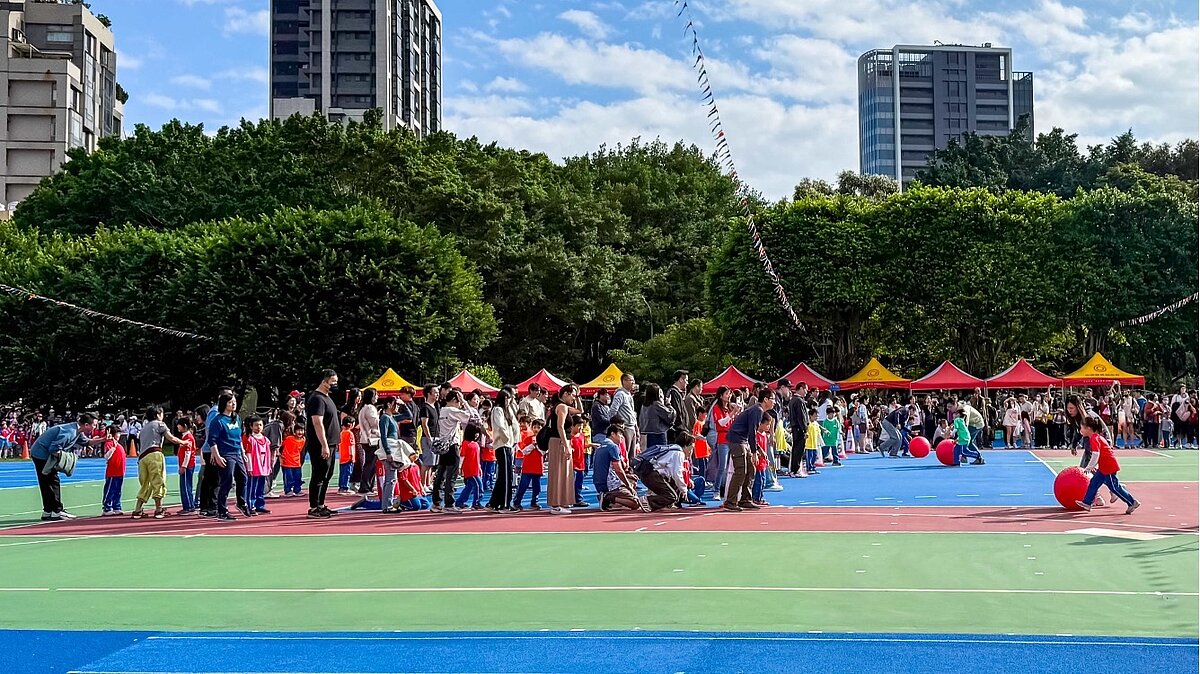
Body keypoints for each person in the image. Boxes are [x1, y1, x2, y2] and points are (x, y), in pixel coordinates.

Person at [28, 413, 99, 521]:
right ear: (86, 425)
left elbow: (86, 442)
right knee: (52, 481)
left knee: (47, 482)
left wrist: (103, 439)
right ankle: (57, 510)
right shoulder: (69, 432)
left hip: (41, 453)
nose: (95, 427)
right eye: (94, 425)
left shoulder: (77, 431)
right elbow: (53, 449)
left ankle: (48, 511)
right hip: (41, 455)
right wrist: (66, 458)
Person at [134, 406, 190, 520]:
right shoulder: (160, 424)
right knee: (158, 481)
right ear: (158, 415)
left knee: (145, 483)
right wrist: (184, 442)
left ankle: (138, 509)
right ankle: (159, 509)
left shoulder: (144, 428)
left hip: (142, 458)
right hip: (154, 454)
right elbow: (171, 438)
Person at [723, 389, 775, 512]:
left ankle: (745, 499)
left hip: (744, 440)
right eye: (772, 399)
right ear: (766, 399)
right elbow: (752, 431)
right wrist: (754, 452)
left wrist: (758, 450)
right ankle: (730, 501)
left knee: (751, 469)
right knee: (741, 470)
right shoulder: (757, 410)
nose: (774, 402)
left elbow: (752, 433)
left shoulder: (758, 410)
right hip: (737, 439)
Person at [1076, 417, 1139, 514]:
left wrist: (1089, 467)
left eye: (1082, 428)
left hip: (1109, 467)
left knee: (1114, 487)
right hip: (1103, 467)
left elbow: (1096, 455)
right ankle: (1087, 503)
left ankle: (1132, 502)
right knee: (1094, 483)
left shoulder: (1094, 439)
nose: (1081, 431)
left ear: (1088, 428)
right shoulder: (1096, 437)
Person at [304, 370, 341, 519]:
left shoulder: (327, 398)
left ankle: (321, 504)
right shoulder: (317, 399)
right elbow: (317, 423)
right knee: (319, 475)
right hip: (320, 444)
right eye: (333, 381)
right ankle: (314, 507)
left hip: (331, 443)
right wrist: (324, 444)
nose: (335, 384)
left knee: (327, 474)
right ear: (324, 381)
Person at [206, 393, 246, 522]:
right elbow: (212, 440)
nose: (233, 404)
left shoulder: (237, 418)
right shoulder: (218, 421)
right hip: (226, 454)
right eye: (230, 402)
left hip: (237, 453)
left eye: (234, 401)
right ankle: (222, 510)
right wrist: (217, 456)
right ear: (224, 404)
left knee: (243, 478)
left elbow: (239, 437)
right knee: (226, 482)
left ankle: (241, 502)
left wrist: (243, 452)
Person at [593, 423, 649, 512]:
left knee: (632, 479)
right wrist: (628, 486)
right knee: (635, 504)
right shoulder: (613, 447)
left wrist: (628, 477)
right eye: (620, 434)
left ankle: (612, 500)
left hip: (599, 482)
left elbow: (610, 469)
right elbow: (618, 470)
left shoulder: (601, 446)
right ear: (612, 434)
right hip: (609, 484)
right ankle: (608, 497)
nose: (622, 437)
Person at [545, 385, 584, 515]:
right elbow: (560, 426)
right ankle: (556, 504)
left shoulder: (564, 407)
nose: (573, 398)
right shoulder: (561, 407)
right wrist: (566, 445)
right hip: (559, 441)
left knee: (563, 471)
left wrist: (578, 396)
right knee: (558, 472)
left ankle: (561, 501)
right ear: (566, 394)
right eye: (572, 395)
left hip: (562, 441)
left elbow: (580, 411)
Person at [433, 389, 471, 513]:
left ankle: (436, 502)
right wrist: (464, 402)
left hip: (443, 444)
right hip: (452, 445)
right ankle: (449, 503)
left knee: (441, 473)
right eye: (458, 402)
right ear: (455, 400)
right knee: (452, 475)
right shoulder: (453, 410)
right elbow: (470, 416)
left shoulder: (442, 410)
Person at [487, 389, 518, 513]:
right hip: (503, 445)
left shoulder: (506, 411)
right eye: (510, 398)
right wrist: (507, 439)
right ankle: (504, 504)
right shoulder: (498, 410)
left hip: (507, 445)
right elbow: (500, 427)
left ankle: (494, 502)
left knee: (503, 476)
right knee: (506, 476)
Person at [706, 387, 734, 498]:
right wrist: (732, 413)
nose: (729, 396)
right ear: (721, 395)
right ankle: (716, 489)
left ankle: (725, 488)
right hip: (722, 438)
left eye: (729, 393)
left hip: (731, 438)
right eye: (727, 394)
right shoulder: (717, 408)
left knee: (730, 466)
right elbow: (721, 423)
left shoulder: (729, 408)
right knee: (722, 465)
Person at [242, 415, 272, 515]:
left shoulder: (266, 440)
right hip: (254, 467)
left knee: (260, 487)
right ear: (251, 426)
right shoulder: (250, 439)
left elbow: (268, 454)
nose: (258, 427)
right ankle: (251, 505)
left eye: (260, 425)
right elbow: (248, 453)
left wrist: (269, 466)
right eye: (256, 425)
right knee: (252, 488)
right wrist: (249, 467)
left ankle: (260, 505)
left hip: (263, 468)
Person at [513, 418, 546, 511]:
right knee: (523, 485)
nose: (536, 429)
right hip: (527, 467)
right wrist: (532, 445)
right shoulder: (528, 438)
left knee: (537, 487)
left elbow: (543, 452)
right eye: (534, 427)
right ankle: (517, 502)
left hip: (538, 467)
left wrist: (537, 446)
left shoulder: (543, 440)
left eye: (538, 427)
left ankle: (534, 502)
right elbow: (524, 451)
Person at [454, 424, 485, 510]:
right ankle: (476, 503)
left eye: (478, 433)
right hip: (470, 469)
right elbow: (462, 456)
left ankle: (460, 502)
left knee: (469, 487)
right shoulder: (465, 443)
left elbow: (477, 458)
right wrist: (459, 468)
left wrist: (479, 468)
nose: (477, 435)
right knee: (479, 486)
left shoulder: (475, 444)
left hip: (476, 468)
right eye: (475, 433)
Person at [356, 389, 380, 495]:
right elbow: (375, 424)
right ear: (371, 396)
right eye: (376, 395)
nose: (377, 397)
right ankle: (365, 487)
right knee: (370, 464)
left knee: (370, 463)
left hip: (366, 438)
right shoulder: (370, 408)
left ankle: (367, 486)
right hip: (371, 439)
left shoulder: (363, 408)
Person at [639, 384, 675, 449]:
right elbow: (670, 414)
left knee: (650, 454)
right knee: (660, 455)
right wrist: (668, 403)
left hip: (647, 434)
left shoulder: (644, 405)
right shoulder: (656, 404)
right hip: (658, 434)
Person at [417, 385, 440, 490]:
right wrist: (429, 437)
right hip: (428, 437)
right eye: (435, 392)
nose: (437, 394)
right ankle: (422, 484)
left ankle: (428, 483)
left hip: (436, 436)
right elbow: (424, 424)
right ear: (429, 394)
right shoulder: (425, 408)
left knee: (432, 463)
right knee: (426, 462)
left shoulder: (436, 406)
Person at [611, 373, 639, 457]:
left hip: (632, 426)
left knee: (632, 454)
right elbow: (613, 410)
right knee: (624, 453)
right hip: (625, 427)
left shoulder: (629, 394)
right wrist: (617, 426)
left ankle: (630, 469)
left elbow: (632, 412)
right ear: (624, 381)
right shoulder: (620, 394)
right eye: (631, 380)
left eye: (633, 380)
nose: (633, 382)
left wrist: (636, 428)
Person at [174, 417, 198, 514]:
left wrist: (184, 466)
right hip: (186, 465)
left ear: (184, 426)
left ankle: (189, 507)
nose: (177, 427)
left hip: (187, 466)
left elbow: (188, 453)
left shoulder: (188, 438)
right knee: (184, 485)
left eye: (179, 425)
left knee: (186, 486)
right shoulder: (184, 437)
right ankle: (187, 506)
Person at [101, 424, 126, 516]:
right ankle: (107, 507)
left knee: (118, 490)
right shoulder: (109, 443)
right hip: (112, 472)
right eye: (117, 433)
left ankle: (117, 506)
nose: (118, 435)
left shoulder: (117, 444)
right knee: (110, 490)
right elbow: (107, 456)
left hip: (120, 471)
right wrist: (113, 447)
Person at [786, 381, 809, 476]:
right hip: (799, 428)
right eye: (805, 390)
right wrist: (805, 429)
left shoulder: (792, 400)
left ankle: (794, 469)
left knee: (795, 448)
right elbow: (802, 417)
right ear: (800, 388)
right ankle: (796, 469)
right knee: (799, 449)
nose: (806, 392)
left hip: (795, 427)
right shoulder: (799, 401)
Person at [569, 415, 592, 508]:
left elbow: (582, 446)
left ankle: (577, 499)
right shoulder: (570, 437)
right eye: (578, 426)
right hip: (573, 464)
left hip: (581, 463)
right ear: (572, 426)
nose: (580, 428)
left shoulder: (582, 435)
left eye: (582, 426)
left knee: (579, 482)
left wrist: (591, 445)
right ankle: (570, 499)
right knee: (572, 483)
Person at [337, 417, 357, 494]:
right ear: (350, 424)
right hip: (348, 457)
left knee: (342, 472)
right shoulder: (350, 433)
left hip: (342, 456)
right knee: (348, 472)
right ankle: (345, 487)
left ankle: (341, 487)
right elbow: (350, 445)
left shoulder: (341, 433)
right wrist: (351, 455)